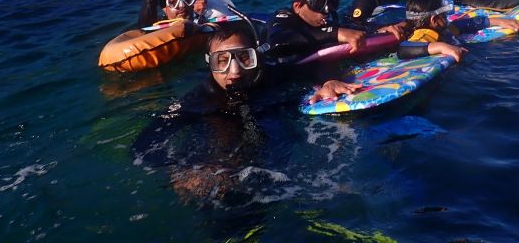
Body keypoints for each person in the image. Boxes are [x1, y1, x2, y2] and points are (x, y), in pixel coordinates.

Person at [131, 20, 358, 204]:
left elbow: (317, 63)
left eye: (244, 58)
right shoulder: (197, 99)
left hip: (276, 155)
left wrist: (328, 81)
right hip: (221, 161)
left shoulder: (271, 75)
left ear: (256, 57)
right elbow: (142, 145)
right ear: (210, 64)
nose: (235, 71)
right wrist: (179, 172)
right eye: (222, 61)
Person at [265, 0, 369, 65]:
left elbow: (352, 31)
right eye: (319, 3)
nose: (327, 10)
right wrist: (335, 33)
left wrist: (378, 29)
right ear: (298, 6)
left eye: (330, 2)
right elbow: (277, 43)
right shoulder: (283, 19)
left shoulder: (323, 22)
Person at [396, 0, 467, 62]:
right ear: (435, 20)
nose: (446, 17)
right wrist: (442, 47)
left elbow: (461, 26)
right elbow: (403, 49)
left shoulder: (445, 29)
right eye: (444, 14)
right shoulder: (424, 34)